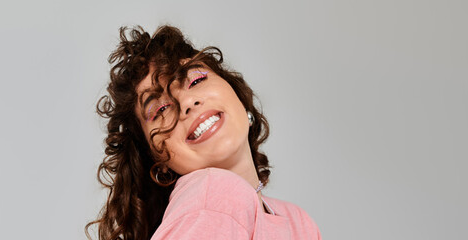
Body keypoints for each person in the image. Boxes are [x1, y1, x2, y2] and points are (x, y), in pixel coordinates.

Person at [87, 25, 321, 240]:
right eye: (161, 109)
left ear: (238, 95)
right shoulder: (213, 194)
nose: (187, 102)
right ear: (158, 162)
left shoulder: (298, 222)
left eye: (196, 80)